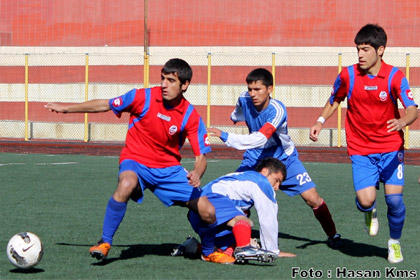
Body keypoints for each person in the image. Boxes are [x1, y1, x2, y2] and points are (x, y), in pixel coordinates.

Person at [45, 58, 215, 260]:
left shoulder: (190, 115)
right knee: (126, 183)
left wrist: (197, 173)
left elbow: (200, 157)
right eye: (162, 79)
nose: (163, 85)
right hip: (135, 160)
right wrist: (66, 108)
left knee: (208, 211)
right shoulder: (142, 97)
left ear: (185, 85)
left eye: (170, 80)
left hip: (168, 169)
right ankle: (105, 241)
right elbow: (104, 105)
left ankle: (209, 252)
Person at [309, 24, 418, 264]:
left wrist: (402, 122)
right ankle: (370, 212)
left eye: (365, 49)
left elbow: (412, 109)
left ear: (380, 50)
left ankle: (394, 243)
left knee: (395, 200)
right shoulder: (348, 75)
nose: (360, 54)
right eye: (358, 49)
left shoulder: (394, 76)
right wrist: (319, 120)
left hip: (390, 148)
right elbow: (335, 99)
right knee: (367, 200)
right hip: (361, 148)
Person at [208, 68, 343, 249]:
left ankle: (333, 234)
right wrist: (235, 117)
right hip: (255, 158)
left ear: (270, 89)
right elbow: (238, 111)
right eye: (250, 89)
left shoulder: (277, 110)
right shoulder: (243, 98)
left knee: (312, 198)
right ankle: (232, 241)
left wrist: (225, 136)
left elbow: (260, 138)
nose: (253, 94)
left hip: (284, 158)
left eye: (258, 89)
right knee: (237, 195)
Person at [187, 157, 296, 264]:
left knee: (230, 245)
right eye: (276, 180)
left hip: (195, 213)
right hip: (212, 201)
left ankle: (194, 247)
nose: (277, 187)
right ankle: (244, 249)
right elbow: (268, 218)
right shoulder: (262, 181)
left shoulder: (242, 176)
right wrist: (272, 250)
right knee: (245, 222)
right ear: (264, 171)